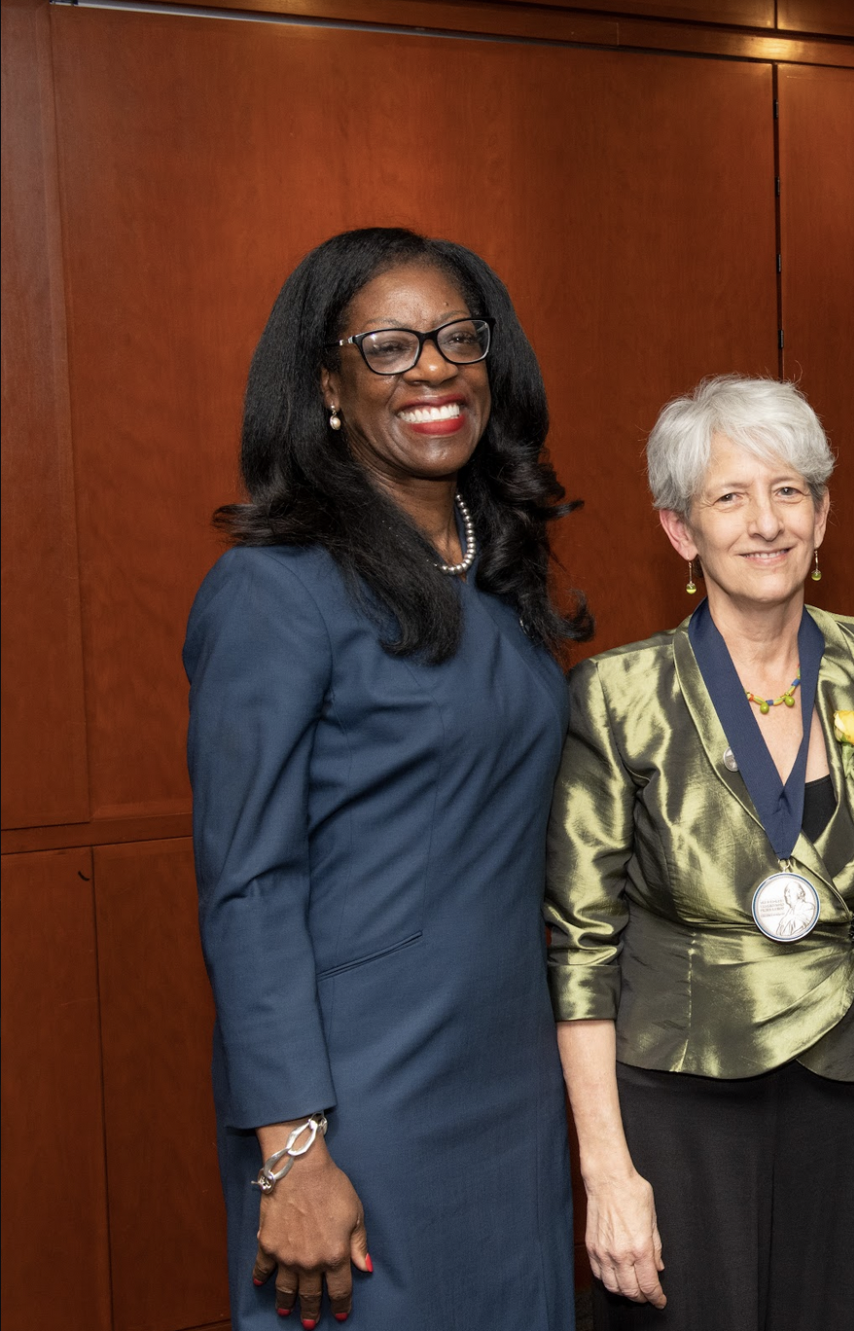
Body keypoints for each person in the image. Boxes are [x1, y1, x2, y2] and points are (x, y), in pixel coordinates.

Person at [185, 227, 593, 1329]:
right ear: (325, 383)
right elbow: (248, 883)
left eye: (459, 337)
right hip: (362, 1100)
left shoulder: (500, 568)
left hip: (509, 1079)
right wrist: (292, 1149)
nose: (433, 367)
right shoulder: (273, 591)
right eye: (388, 345)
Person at [544, 375, 854, 1331]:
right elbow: (580, 946)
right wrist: (606, 1168)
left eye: (790, 490)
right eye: (730, 496)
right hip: (686, 1103)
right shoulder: (619, 693)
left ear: (821, 514)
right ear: (681, 531)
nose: (765, 521)